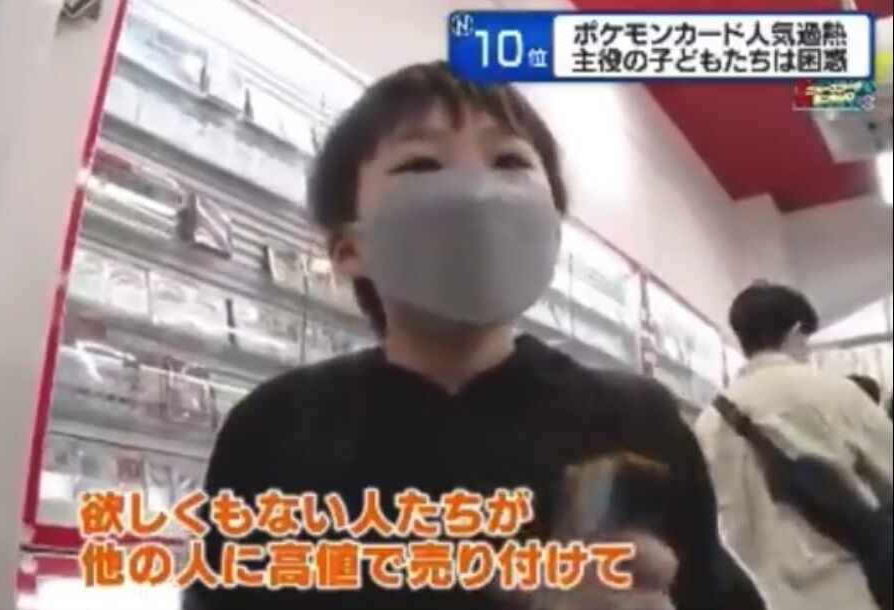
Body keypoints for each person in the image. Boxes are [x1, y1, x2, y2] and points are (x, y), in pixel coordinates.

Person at [186, 61, 761, 610]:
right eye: (421, 164)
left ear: (552, 227)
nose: (477, 192)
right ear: (347, 248)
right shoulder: (273, 428)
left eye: (509, 160)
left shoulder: (635, 421)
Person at [695, 281, 894, 610]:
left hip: (758, 596)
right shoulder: (835, 393)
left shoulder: (710, 421)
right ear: (796, 331)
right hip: (848, 592)